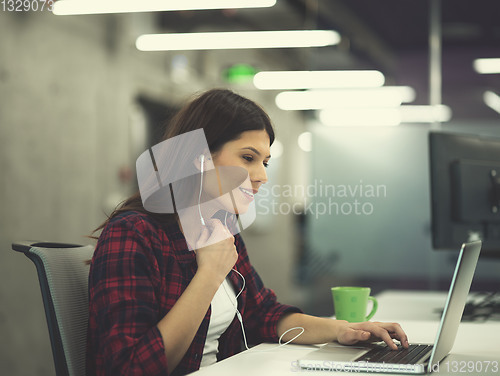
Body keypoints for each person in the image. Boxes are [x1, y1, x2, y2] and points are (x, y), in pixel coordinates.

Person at [86, 88, 409, 376]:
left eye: (265, 162)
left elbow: (261, 314)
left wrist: (343, 330)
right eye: (248, 158)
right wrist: (209, 273)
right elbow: (132, 367)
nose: (261, 176)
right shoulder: (133, 234)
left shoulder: (219, 227)